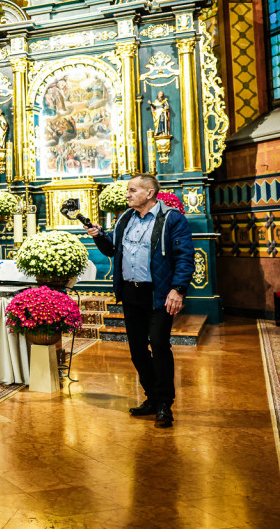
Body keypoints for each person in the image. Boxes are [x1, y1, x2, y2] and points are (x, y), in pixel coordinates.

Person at [85, 174, 194, 428]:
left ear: (150, 193)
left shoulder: (171, 219)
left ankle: (164, 403)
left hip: (158, 293)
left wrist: (178, 289)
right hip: (130, 292)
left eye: (133, 190)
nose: (128, 194)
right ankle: (152, 397)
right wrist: (99, 236)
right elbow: (113, 249)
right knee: (136, 349)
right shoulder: (125, 218)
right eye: (128, 190)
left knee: (159, 344)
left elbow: (184, 256)